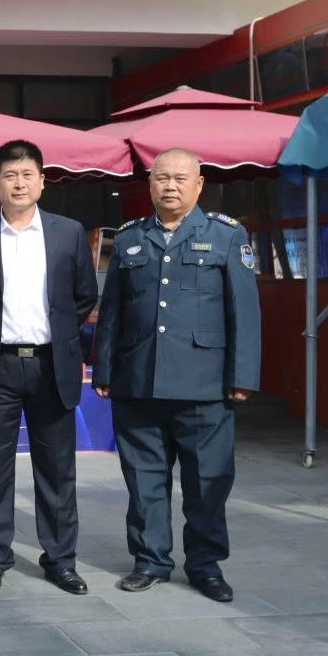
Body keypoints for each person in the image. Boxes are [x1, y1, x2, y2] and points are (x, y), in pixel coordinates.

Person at [93, 147, 260, 603]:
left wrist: (242, 375)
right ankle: (150, 560)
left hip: (204, 385)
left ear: (199, 185)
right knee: (143, 477)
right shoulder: (130, 238)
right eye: (161, 177)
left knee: (208, 481)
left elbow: (244, 311)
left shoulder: (226, 236)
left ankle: (205, 565)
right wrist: (104, 368)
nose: (170, 186)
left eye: (180, 178)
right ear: (149, 184)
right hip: (138, 381)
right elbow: (112, 313)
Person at [0, 140, 99, 595]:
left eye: (27, 174)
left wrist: (59, 331)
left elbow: (85, 295)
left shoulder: (67, 232)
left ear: (42, 181)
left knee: (56, 469)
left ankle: (60, 559)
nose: (19, 183)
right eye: (10, 176)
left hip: (52, 365)